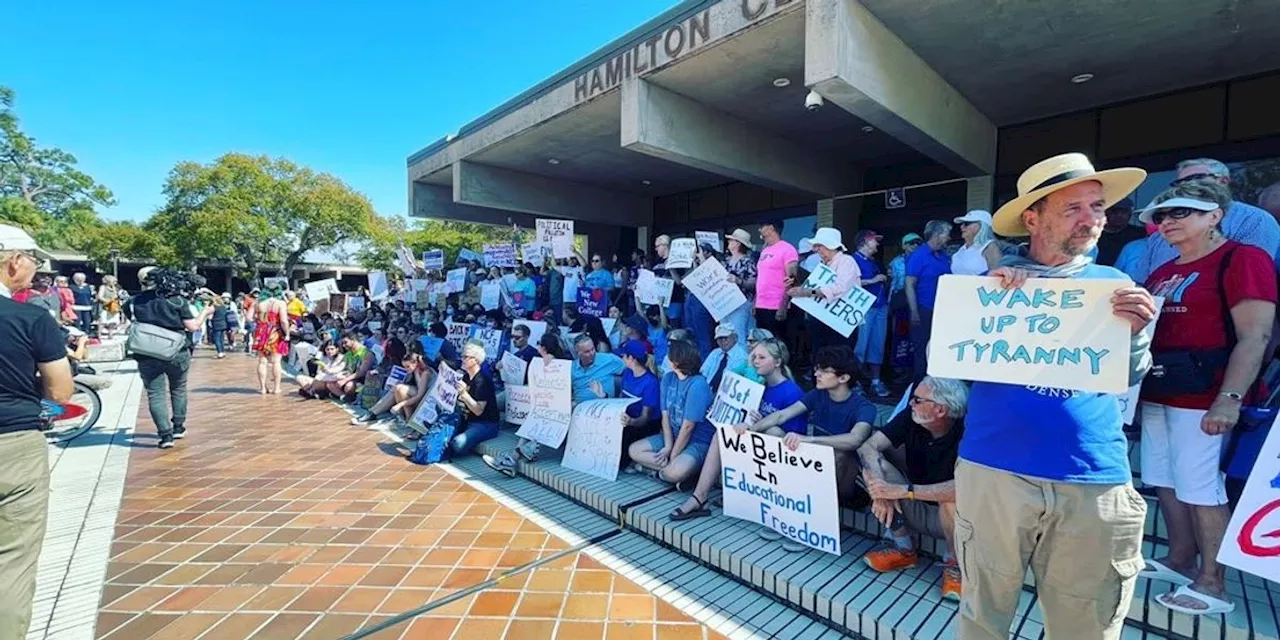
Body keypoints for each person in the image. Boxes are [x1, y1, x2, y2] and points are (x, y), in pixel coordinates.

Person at [963, 152, 1156, 639]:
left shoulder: (1116, 285)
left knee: (1085, 627)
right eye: (1074, 208)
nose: (1092, 220)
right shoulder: (991, 286)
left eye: (1097, 207)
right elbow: (951, 367)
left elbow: (1128, 375)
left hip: (1093, 475)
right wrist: (983, 305)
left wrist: (1136, 333)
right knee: (983, 620)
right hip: (994, 472)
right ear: (1033, 217)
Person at [1137, 186, 1276, 616]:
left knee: (1201, 487)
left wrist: (1229, 398)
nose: (1167, 220)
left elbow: (1256, 336)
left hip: (1205, 396)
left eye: (1182, 212)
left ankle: (1213, 583)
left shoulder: (1243, 258)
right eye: (1161, 214)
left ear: (1215, 214)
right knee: (1165, 478)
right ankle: (1180, 559)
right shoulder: (1163, 269)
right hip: (1160, 389)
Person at [0, 225, 73, 640]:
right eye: (34, 260)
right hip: (13, 441)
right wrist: (40, 412)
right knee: (12, 561)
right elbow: (60, 391)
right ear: (14, 261)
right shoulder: (30, 318)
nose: (36, 269)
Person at [849, 376, 967, 602]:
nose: (910, 403)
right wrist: (879, 489)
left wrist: (902, 491)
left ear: (940, 410)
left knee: (952, 496)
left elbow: (966, 489)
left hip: (956, 519)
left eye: (917, 400)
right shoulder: (912, 418)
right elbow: (868, 446)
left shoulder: (969, 431)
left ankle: (954, 564)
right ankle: (903, 549)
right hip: (917, 506)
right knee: (876, 468)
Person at [670, 338, 805, 521]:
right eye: (754, 356)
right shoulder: (757, 385)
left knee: (769, 432)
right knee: (721, 434)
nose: (755, 361)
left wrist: (763, 423)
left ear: (777, 362)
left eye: (761, 357)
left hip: (779, 454)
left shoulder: (792, 392)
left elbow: (792, 437)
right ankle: (699, 497)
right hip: (754, 445)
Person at [743, 345, 878, 509]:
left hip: (849, 482)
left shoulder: (864, 407)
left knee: (840, 454)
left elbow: (855, 439)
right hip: (815, 467)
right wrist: (750, 429)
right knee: (772, 431)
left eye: (824, 371)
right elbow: (782, 415)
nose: (816, 374)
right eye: (817, 369)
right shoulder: (817, 394)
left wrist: (808, 439)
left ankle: (811, 508)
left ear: (843, 378)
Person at [1132, 157, 1280, 282]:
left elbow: (1251, 278)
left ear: (1223, 181)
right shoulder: (1162, 231)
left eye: (1196, 178)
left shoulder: (1254, 219)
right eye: (1179, 182)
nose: (1186, 185)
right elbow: (1141, 281)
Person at [125, 266, 214, 449]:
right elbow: (193, 327)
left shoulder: (133, 302)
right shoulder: (176, 300)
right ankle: (178, 426)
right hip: (176, 351)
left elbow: (133, 321)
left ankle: (165, 436)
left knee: (155, 393)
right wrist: (205, 312)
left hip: (146, 352)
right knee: (178, 388)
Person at [628, 340, 714, 485]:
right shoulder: (668, 379)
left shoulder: (698, 384)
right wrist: (668, 446)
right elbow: (665, 416)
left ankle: (659, 472)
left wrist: (673, 454)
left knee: (674, 471)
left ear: (676, 362)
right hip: (673, 435)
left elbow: (688, 427)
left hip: (697, 441)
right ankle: (675, 474)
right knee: (634, 450)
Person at [786, 227, 861, 355]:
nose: (816, 249)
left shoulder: (846, 261)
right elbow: (814, 288)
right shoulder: (824, 265)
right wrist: (797, 287)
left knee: (839, 361)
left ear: (830, 245)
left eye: (819, 245)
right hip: (821, 320)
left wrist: (806, 292)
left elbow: (838, 289)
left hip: (840, 324)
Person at [905, 220, 952, 381]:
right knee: (922, 349)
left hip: (942, 311)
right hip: (924, 308)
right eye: (946, 234)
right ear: (937, 235)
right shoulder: (918, 255)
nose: (948, 238)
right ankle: (920, 386)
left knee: (938, 350)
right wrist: (914, 311)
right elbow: (909, 284)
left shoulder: (944, 256)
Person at [851, 230, 891, 397]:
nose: (877, 244)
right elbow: (848, 282)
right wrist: (873, 280)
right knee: (861, 346)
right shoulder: (852, 260)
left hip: (880, 306)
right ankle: (855, 382)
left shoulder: (872, 261)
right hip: (863, 308)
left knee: (877, 345)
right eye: (874, 240)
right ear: (865, 242)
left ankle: (875, 381)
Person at [616, 339, 662, 468]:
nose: (622, 358)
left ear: (631, 358)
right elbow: (621, 399)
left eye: (624, 356)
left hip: (643, 424)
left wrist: (630, 422)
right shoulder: (627, 373)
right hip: (628, 417)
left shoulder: (650, 382)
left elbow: (645, 418)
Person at [452, 340, 501, 456]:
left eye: (466, 357)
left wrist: (464, 394)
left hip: (485, 423)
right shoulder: (465, 376)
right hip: (468, 418)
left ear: (476, 360)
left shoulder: (482, 380)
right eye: (462, 356)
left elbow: (478, 410)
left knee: (458, 443)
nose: (462, 359)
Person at [753, 220, 799, 338]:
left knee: (777, 343)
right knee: (762, 341)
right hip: (761, 305)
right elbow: (761, 277)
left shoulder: (787, 249)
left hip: (776, 305)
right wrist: (755, 302)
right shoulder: (765, 250)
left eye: (762, 226)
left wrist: (783, 305)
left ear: (771, 228)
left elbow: (792, 279)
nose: (759, 229)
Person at [251, 282, 292, 394]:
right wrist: (287, 333)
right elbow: (283, 321)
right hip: (275, 332)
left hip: (260, 332)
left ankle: (263, 388)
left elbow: (251, 318)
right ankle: (276, 388)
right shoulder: (280, 303)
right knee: (276, 362)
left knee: (262, 361)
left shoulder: (258, 303)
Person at [570, 333, 624, 405]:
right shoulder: (571, 368)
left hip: (605, 406)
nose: (592, 353)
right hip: (580, 408)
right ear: (578, 352)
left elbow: (632, 369)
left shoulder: (609, 359)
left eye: (593, 349)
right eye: (587, 351)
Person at [723, 229, 757, 342]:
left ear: (737, 243)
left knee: (739, 335)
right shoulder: (726, 261)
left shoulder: (748, 262)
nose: (729, 242)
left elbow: (754, 283)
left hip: (741, 304)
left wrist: (739, 281)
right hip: (724, 303)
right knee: (725, 335)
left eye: (731, 240)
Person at [1094, 197, 1145, 267]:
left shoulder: (1140, 234)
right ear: (1106, 213)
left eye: (1124, 212)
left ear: (1130, 214)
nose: (1119, 215)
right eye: (1115, 211)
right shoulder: (1094, 234)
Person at [700, 322, 749, 393]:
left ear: (735, 337)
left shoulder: (742, 357)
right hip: (708, 390)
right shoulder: (715, 353)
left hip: (726, 394)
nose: (723, 341)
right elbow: (703, 372)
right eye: (720, 338)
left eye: (725, 338)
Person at [950, 210, 1001, 275]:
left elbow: (997, 276)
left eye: (967, 224)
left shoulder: (990, 247)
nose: (962, 227)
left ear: (982, 226)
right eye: (962, 224)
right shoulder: (962, 249)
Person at [97, 275, 123, 340]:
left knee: (113, 321)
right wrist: (107, 301)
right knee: (103, 321)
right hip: (105, 306)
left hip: (113, 306)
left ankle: (110, 334)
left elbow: (116, 296)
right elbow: (100, 296)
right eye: (114, 281)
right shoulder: (103, 287)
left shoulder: (114, 287)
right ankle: (99, 334)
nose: (115, 282)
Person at [208, 294, 233, 359]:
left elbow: (210, 317)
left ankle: (219, 353)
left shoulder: (214, 307)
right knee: (221, 339)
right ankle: (222, 351)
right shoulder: (223, 307)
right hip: (224, 324)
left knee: (217, 339)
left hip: (216, 324)